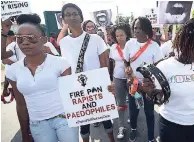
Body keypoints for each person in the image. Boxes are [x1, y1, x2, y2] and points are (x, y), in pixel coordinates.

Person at [4, 13, 80, 142]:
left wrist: (105, 90)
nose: (26, 43)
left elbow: (74, 93)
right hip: (37, 124)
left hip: (64, 119)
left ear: (43, 39)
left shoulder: (61, 63)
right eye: (20, 39)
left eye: (31, 38)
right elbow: (21, 105)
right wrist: (24, 133)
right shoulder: (13, 70)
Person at [59, 3, 115, 142]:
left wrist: (106, 84)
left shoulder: (96, 39)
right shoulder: (64, 43)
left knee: (106, 118)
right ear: (64, 20)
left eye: (75, 14)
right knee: (82, 122)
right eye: (68, 15)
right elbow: (66, 67)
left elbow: (104, 64)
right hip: (77, 89)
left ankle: (112, 139)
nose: (71, 17)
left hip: (97, 87)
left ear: (81, 17)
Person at [124, 17, 163, 142]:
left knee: (149, 112)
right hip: (133, 84)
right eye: (135, 28)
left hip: (148, 86)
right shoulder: (129, 44)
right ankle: (133, 130)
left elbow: (159, 66)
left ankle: (151, 138)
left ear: (147, 29)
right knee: (134, 111)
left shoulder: (154, 46)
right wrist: (128, 71)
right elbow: (126, 62)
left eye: (140, 28)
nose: (137, 30)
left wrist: (152, 83)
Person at [109, 23, 132, 139]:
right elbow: (112, 64)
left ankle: (133, 122)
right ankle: (121, 127)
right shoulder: (113, 48)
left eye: (121, 35)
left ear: (127, 34)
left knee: (134, 102)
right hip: (118, 79)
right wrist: (112, 80)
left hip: (131, 79)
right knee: (120, 103)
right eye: (117, 36)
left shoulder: (132, 45)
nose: (119, 38)